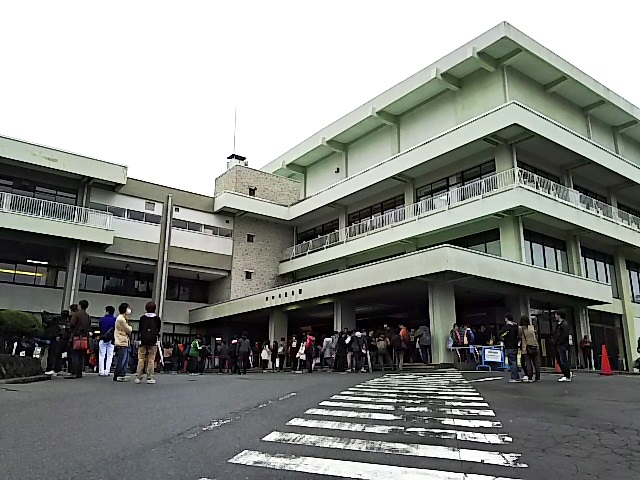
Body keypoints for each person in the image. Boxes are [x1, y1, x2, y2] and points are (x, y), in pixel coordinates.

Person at [135, 301, 161, 384]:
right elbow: (158, 330)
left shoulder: (142, 318)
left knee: (141, 359)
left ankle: (139, 377)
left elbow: (140, 330)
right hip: (153, 342)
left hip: (143, 341)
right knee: (151, 360)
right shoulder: (157, 319)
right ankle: (150, 377)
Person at [65, 299, 90, 380]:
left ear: (80, 305)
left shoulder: (76, 315)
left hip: (76, 337)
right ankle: (79, 372)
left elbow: (72, 324)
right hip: (84, 337)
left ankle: (74, 372)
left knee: (74, 354)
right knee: (81, 355)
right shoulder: (87, 316)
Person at [113, 303, 133, 382]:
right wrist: (130, 327)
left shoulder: (123, 318)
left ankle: (122, 374)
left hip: (124, 341)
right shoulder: (121, 319)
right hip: (121, 341)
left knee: (125, 359)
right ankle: (119, 374)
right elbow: (129, 329)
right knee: (122, 359)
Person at [499, 313, 520, 383]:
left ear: (506, 319)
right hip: (515, 345)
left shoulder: (507, 327)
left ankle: (514, 377)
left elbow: (501, 334)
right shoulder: (516, 327)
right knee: (515, 361)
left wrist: (502, 338)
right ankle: (517, 376)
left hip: (509, 346)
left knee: (512, 362)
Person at [519, 315, 540, 382]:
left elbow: (522, 339)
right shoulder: (532, 328)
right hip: (535, 346)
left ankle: (530, 377)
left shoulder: (522, 329)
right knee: (536, 363)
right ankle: (537, 377)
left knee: (528, 363)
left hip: (527, 348)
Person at [552, 311, 572, 382]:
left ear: (559, 315)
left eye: (556, 315)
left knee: (563, 359)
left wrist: (560, 341)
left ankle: (567, 375)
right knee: (560, 359)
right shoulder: (558, 324)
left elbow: (565, 335)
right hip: (558, 344)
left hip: (562, 344)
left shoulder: (564, 324)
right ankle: (566, 373)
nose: (555, 316)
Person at [98, 306, 116, 377]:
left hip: (103, 338)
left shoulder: (102, 319)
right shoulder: (115, 320)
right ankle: (107, 371)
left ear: (107, 311)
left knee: (102, 355)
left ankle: (101, 371)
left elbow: (100, 328)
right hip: (111, 339)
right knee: (110, 355)